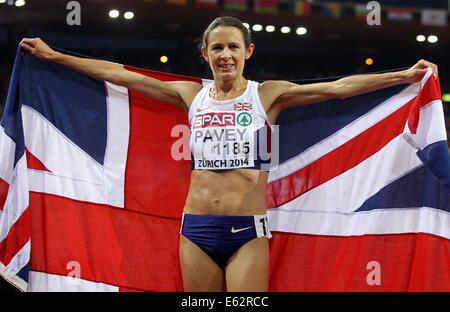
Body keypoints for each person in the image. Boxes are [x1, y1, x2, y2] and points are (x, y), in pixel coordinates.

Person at [20, 16, 438, 292]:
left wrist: (403, 75)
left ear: (247, 52)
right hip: (196, 230)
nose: (225, 55)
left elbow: (337, 87)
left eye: (233, 48)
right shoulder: (190, 95)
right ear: (205, 54)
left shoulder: (268, 95)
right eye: (217, 48)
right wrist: (55, 56)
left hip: (246, 233)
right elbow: (118, 74)